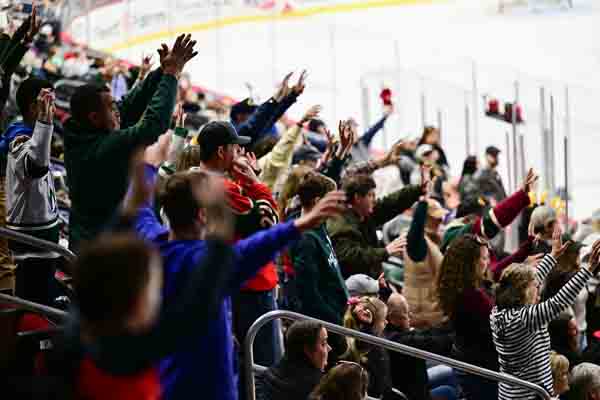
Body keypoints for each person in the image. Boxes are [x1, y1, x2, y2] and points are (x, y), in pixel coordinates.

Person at [133, 147, 346, 400]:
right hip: (207, 388)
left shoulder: (152, 244)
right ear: (203, 215)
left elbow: (139, 209)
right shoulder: (206, 265)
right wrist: (299, 225)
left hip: (163, 381)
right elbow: (251, 250)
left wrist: (148, 167)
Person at [64, 34, 197, 251]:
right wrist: (172, 75)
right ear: (94, 118)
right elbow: (152, 126)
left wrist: (161, 72)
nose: (117, 110)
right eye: (111, 107)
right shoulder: (102, 148)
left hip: (95, 243)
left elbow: (128, 106)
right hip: (101, 254)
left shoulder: (84, 132)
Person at [490, 229, 600, 400]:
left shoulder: (499, 310)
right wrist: (589, 269)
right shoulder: (523, 318)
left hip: (510, 392)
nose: (539, 290)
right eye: (535, 287)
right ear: (522, 292)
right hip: (529, 395)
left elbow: (534, 278)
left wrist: (552, 255)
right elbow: (558, 301)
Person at [5, 82, 58, 305]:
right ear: (33, 108)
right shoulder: (20, 140)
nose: (53, 109)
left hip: (43, 242)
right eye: (49, 103)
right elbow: (37, 167)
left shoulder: (34, 138)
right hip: (31, 247)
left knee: (43, 301)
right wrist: (45, 122)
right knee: (32, 306)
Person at [328, 169, 425, 279]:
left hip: (369, 280)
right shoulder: (342, 225)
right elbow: (350, 257)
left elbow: (390, 204)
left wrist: (418, 190)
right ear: (357, 198)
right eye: (370, 195)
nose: (374, 200)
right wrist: (386, 251)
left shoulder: (363, 212)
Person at [437, 234, 497, 400]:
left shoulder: (462, 287)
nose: (487, 263)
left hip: (472, 365)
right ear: (471, 262)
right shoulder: (471, 296)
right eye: (484, 258)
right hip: (481, 371)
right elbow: (500, 323)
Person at [288, 172, 349, 325]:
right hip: (326, 324)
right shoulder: (306, 240)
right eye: (331, 200)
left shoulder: (319, 224)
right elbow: (309, 296)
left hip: (338, 312)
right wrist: (336, 323)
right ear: (317, 201)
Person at [385, 293, 456, 400]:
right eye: (406, 313)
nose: (410, 316)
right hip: (413, 395)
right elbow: (434, 342)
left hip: (415, 385)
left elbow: (426, 334)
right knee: (448, 391)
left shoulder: (393, 332)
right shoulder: (400, 341)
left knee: (448, 372)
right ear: (391, 318)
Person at [403, 167, 448, 328]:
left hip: (431, 313)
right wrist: (423, 199)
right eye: (437, 219)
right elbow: (415, 229)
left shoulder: (433, 241)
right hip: (422, 316)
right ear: (426, 219)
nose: (441, 221)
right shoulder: (416, 243)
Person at [342, 296, 400, 400]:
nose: (387, 322)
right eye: (383, 320)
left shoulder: (371, 339)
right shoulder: (367, 346)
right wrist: (367, 327)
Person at [256, 320, 331, 400]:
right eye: (323, 344)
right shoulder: (319, 389)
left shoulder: (266, 376)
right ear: (307, 350)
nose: (329, 348)